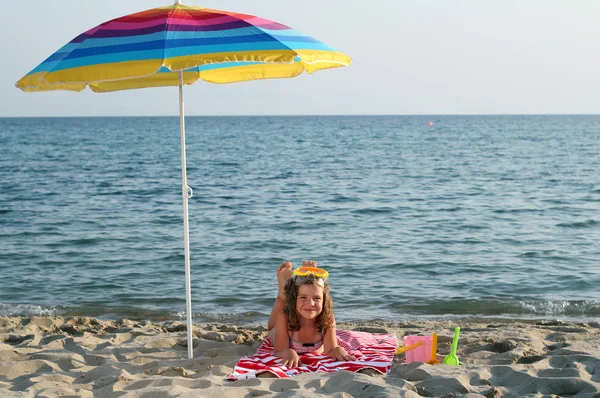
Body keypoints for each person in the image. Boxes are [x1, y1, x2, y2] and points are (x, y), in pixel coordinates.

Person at [267, 260, 356, 368]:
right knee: (272, 327)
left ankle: (305, 277)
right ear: (295, 299)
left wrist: (337, 349)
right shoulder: (284, 317)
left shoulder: (328, 318)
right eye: (303, 297)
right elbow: (279, 350)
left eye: (317, 298)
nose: (311, 303)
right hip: (281, 327)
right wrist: (288, 352)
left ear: (324, 301)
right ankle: (283, 292)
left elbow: (330, 350)